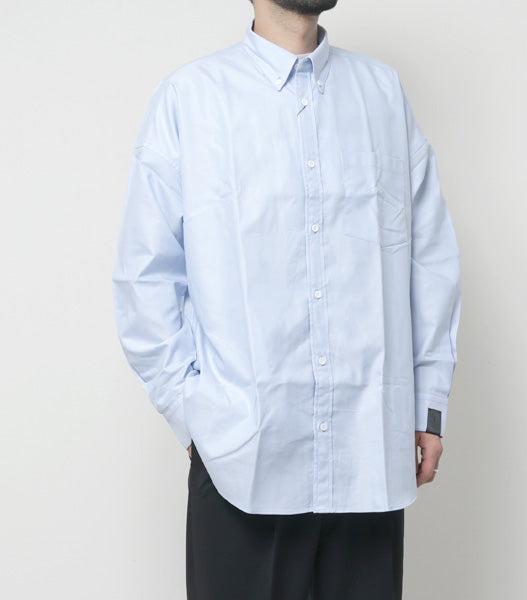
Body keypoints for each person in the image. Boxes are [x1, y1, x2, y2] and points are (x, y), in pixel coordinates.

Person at [111, 0, 462, 598]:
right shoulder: (191, 99)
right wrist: (193, 415)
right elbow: (145, 276)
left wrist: (428, 406)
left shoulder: (381, 93)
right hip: (241, 462)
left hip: (368, 457)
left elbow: (428, 260)